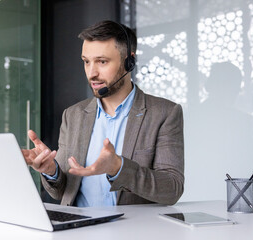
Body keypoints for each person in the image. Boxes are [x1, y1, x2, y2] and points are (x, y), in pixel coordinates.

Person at [22, 20, 184, 207]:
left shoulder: (164, 114)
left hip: (132, 231)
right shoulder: (72, 115)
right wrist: (51, 171)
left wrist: (119, 167)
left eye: (102, 61)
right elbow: (61, 191)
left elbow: (172, 189)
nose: (91, 73)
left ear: (129, 61)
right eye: (86, 62)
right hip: (78, 231)